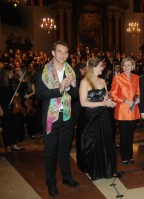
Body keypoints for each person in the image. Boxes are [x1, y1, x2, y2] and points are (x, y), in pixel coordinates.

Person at [35, 40, 79, 197]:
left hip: (67, 117)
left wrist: (68, 88)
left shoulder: (71, 71)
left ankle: (67, 178)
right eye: (60, 51)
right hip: (50, 118)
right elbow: (39, 95)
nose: (63, 55)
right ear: (53, 53)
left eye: (66, 52)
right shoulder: (43, 71)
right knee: (51, 153)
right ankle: (51, 183)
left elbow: (76, 94)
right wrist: (59, 89)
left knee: (64, 150)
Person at [77, 57, 120, 180]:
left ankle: (106, 169)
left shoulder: (102, 81)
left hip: (102, 116)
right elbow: (83, 103)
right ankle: (93, 169)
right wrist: (103, 104)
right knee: (91, 143)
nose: (103, 68)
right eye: (101, 65)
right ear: (93, 67)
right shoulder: (84, 82)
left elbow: (105, 97)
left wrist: (109, 102)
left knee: (105, 142)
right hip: (89, 117)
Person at [110, 57, 140, 165]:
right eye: (125, 65)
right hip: (122, 110)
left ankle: (130, 155)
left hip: (133, 110)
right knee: (123, 135)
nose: (127, 67)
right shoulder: (117, 78)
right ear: (122, 67)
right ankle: (124, 156)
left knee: (131, 134)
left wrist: (138, 99)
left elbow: (138, 91)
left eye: (129, 65)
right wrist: (124, 100)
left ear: (133, 66)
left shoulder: (136, 77)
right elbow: (113, 95)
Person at [0, 66, 25, 153]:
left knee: (14, 126)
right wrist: (0, 109)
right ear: (6, 73)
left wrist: (17, 94)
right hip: (4, 108)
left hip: (13, 107)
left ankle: (14, 144)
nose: (12, 74)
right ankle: (7, 145)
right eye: (10, 72)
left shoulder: (12, 82)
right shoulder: (1, 83)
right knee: (6, 127)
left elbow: (17, 90)